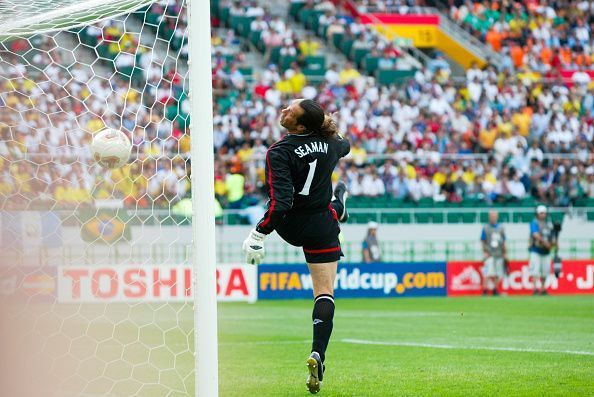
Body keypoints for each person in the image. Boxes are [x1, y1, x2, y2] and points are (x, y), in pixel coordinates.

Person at [242, 99, 350, 394]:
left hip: (290, 224)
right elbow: (346, 145)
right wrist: (331, 134)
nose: (284, 109)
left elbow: (282, 203)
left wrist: (259, 233)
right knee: (325, 292)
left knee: (324, 209)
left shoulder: (279, 152)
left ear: (300, 126)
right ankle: (319, 351)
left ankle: (317, 357)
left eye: (290, 110)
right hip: (320, 225)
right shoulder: (330, 145)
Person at [529, 205, 556, 295]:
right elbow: (535, 234)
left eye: (544, 213)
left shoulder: (548, 224)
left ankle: (543, 288)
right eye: (541, 213)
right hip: (536, 249)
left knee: (545, 271)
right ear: (537, 213)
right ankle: (535, 288)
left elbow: (553, 236)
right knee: (535, 270)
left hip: (546, 251)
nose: (543, 215)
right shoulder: (534, 222)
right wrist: (546, 243)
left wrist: (553, 243)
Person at [480, 210, 506, 296]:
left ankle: (495, 289)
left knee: (498, 273)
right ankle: (485, 290)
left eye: (494, 216)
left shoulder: (501, 227)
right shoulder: (486, 227)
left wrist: (505, 252)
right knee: (487, 273)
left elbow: (504, 241)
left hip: (499, 253)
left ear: (497, 217)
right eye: (491, 216)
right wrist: (485, 251)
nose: (493, 218)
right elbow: (482, 240)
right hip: (489, 253)